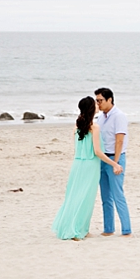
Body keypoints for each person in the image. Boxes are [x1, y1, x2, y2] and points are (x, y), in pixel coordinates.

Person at [51, 96, 110, 241]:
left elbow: (78, 148)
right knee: (86, 198)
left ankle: (83, 228)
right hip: (90, 166)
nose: (98, 105)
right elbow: (97, 152)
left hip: (77, 165)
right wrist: (114, 164)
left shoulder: (77, 126)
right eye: (95, 104)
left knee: (74, 196)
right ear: (91, 108)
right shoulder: (94, 127)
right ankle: (77, 229)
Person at [95, 87, 132, 237]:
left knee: (118, 194)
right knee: (105, 196)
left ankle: (126, 229)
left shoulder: (119, 116)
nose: (98, 104)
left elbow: (119, 140)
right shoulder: (101, 117)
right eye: (96, 101)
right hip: (103, 158)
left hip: (115, 157)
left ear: (109, 100)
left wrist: (115, 163)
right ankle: (108, 228)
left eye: (100, 101)